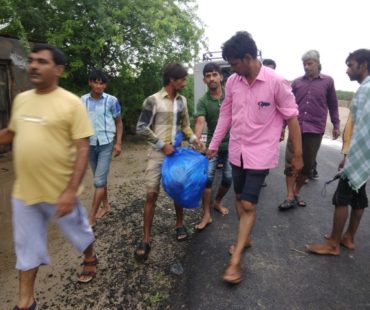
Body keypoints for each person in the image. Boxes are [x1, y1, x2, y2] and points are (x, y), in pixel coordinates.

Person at [0, 44, 97, 310]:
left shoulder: (71, 103)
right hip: (25, 193)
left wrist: (70, 191)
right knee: (26, 248)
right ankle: (26, 302)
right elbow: (12, 133)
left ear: (58, 70)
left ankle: (90, 254)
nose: (33, 65)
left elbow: (82, 147)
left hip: (61, 192)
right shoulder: (22, 99)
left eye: (41, 62)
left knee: (81, 236)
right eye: (31, 61)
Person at [207, 31, 303, 284]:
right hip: (237, 152)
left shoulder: (276, 82)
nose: (232, 69)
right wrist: (214, 144)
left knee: (248, 204)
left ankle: (236, 261)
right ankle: (245, 237)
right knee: (239, 198)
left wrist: (299, 156)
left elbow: (292, 118)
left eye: (234, 63)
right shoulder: (233, 83)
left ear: (248, 58)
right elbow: (225, 115)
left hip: (261, 153)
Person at [135, 63, 203, 261]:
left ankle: (179, 224)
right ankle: (146, 239)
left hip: (176, 154)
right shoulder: (153, 100)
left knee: (179, 189)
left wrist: (195, 141)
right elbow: (141, 127)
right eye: (182, 79)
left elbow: (186, 127)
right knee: (151, 194)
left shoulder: (182, 101)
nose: (185, 82)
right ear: (172, 80)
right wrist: (161, 144)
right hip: (157, 154)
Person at [306, 49, 370, 255]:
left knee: (342, 197)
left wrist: (350, 158)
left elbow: (363, 131)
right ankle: (349, 237)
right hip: (364, 157)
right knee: (359, 194)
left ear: (364, 65)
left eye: (350, 65)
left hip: (361, 154)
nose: (347, 70)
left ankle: (333, 243)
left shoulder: (365, 89)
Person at [278, 50, 340, 210]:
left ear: (318, 63)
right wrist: (282, 127)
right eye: (304, 64)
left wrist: (336, 124)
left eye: (310, 63)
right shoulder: (297, 83)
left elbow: (333, 104)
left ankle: (297, 192)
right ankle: (289, 195)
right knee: (291, 161)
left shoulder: (328, 82)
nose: (306, 66)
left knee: (308, 165)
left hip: (315, 129)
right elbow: (287, 106)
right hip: (296, 128)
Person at [81, 69, 123, 226]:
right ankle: (106, 205)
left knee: (98, 181)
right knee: (100, 178)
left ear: (105, 85)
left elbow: (119, 122)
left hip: (106, 144)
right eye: (96, 82)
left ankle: (91, 217)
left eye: (102, 83)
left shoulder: (111, 101)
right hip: (90, 145)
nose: (98, 86)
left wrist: (118, 143)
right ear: (90, 82)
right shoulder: (82, 101)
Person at [194, 62, 232, 231]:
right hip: (212, 147)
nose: (211, 78)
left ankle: (217, 202)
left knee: (228, 178)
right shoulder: (203, 101)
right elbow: (200, 121)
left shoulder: (230, 95)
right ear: (204, 80)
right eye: (208, 76)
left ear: (221, 77)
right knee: (207, 180)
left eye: (214, 74)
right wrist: (196, 140)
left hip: (232, 145)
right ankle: (206, 214)